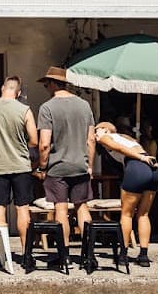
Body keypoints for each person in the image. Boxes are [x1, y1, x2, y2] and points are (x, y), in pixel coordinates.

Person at [35, 66, 95, 263]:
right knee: (82, 207)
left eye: (46, 83)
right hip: (80, 164)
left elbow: (44, 144)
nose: (45, 87)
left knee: (61, 209)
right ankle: (88, 253)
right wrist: (90, 165)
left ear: (53, 83)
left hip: (58, 167)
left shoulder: (47, 108)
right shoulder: (84, 106)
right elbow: (91, 140)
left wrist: (42, 167)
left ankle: (65, 254)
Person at [0, 76, 38, 253]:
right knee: (23, 208)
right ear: (18, 92)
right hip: (21, 165)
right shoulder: (25, 110)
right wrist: (21, 143)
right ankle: (25, 250)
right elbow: (35, 140)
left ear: (2, 88)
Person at [95, 121, 158, 267]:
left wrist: (141, 158)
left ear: (106, 129)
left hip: (137, 165)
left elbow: (119, 148)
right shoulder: (127, 138)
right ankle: (143, 255)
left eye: (97, 130)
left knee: (126, 214)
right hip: (153, 169)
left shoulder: (108, 137)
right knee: (143, 214)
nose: (95, 134)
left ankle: (123, 255)